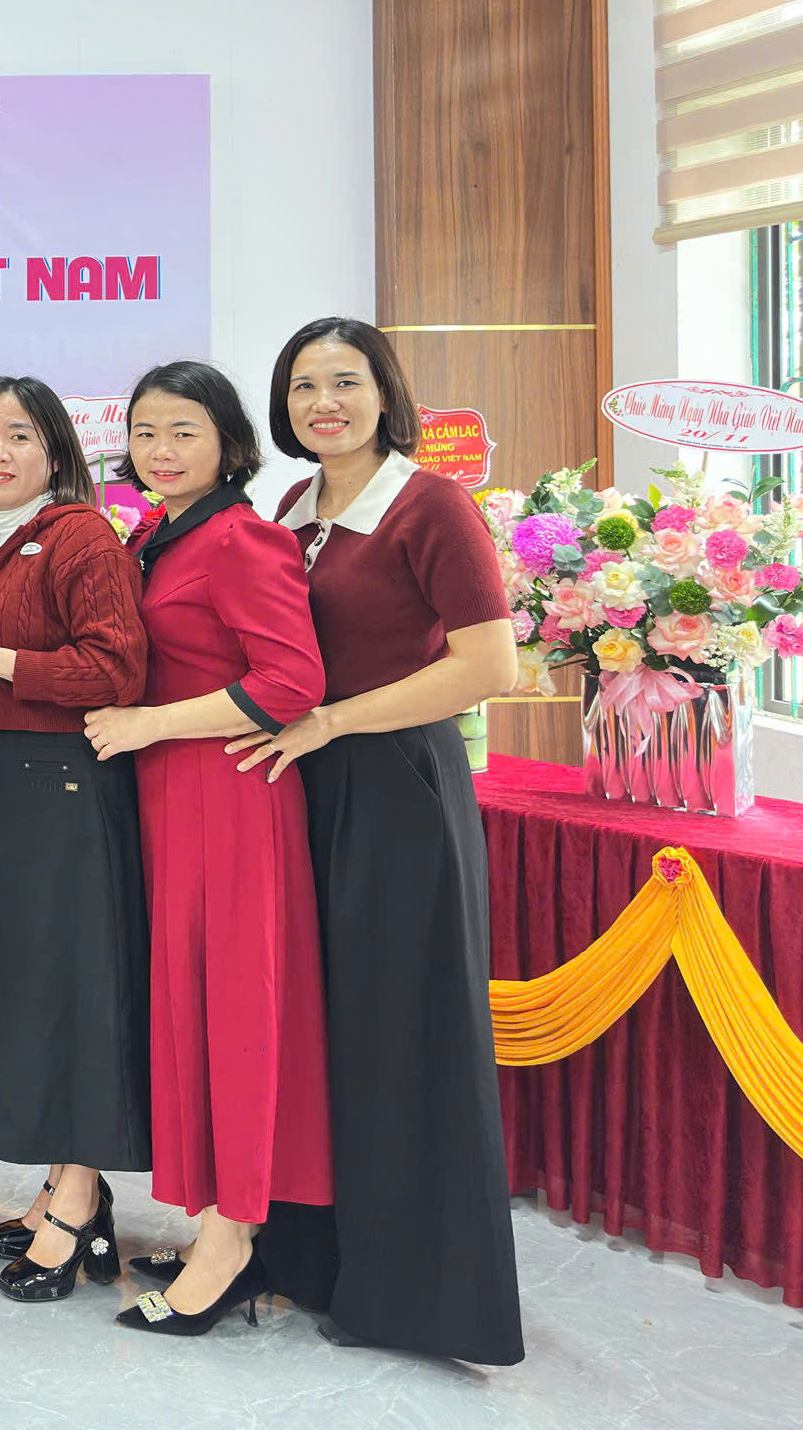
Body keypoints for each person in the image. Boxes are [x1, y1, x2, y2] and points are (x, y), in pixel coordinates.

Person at [241, 318, 524, 1364]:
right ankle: (313, 1261)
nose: (325, 403)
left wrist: (332, 722)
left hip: (396, 785)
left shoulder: (429, 503)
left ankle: (415, 1298)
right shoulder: (294, 505)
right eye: (303, 386)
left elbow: (488, 665)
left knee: (402, 1036)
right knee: (326, 1032)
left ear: (383, 392)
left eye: (345, 382)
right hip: (308, 784)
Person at [83, 361, 330, 1337]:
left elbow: (291, 681)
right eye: (144, 432)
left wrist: (151, 724)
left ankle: (232, 1243)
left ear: (229, 443)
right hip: (170, 799)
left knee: (234, 1016)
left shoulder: (243, 538)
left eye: (182, 431)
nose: (160, 450)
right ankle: (217, 1225)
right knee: (191, 1008)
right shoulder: (157, 533)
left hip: (228, 799)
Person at [0, 375, 148, 1302]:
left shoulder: (81, 535)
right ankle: (60, 1180)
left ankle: (79, 1200)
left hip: (65, 784)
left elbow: (117, 668)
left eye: (18, 435)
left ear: (56, 448)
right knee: (29, 989)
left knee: (74, 989)